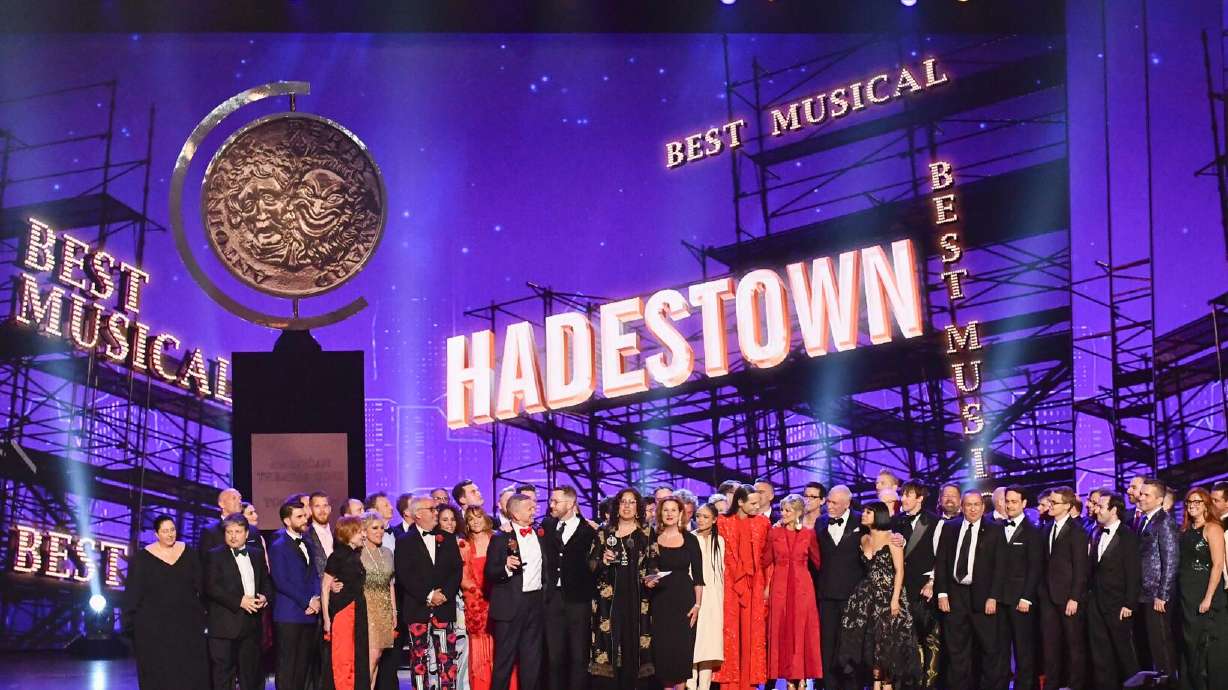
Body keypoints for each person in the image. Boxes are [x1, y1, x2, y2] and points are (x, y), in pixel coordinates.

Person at [123, 514, 210, 690]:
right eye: (165, 531)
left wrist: (205, 612)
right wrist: (130, 623)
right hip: (153, 625)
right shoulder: (143, 558)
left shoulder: (188, 552)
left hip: (187, 622)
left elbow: (201, 585)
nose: (170, 534)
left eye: (172, 530)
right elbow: (134, 592)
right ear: (156, 534)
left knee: (189, 668)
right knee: (159, 668)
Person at [839, 501, 919, 690]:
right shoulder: (863, 539)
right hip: (866, 596)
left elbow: (899, 571)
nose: (864, 515)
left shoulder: (892, 538)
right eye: (864, 512)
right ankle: (875, 684)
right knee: (870, 644)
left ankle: (887, 684)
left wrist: (894, 599)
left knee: (888, 646)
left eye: (868, 512)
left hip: (889, 596)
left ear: (879, 515)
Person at [935, 490, 1006, 690]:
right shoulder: (950, 528)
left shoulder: (995, 530)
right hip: (955, 596)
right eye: (968, 505)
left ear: (983, 507)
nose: (973, 508)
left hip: (984, 598)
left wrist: (993, 597)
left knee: (989, 649)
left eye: (977, 504)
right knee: (956, 650)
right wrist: (942, 593)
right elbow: (941, 562)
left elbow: (1000, 567)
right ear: (962, 507)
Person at [588, 487, 655, 689]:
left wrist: (652, 578)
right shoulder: (604, 532)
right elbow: (591, 564)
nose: (627, 506)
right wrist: (603, 562)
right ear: (617, 507)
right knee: (609, 644)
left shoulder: (646, 532)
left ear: (638, 508)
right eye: (623, 502)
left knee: (633, 646)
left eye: (631, 502)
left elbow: (653, 561)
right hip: (609, 601)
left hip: (637, 598)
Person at [396, 497, 463, 689]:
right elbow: (404, 575)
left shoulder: (447, 538)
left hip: (444, 607)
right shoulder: (404, 541)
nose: (436, 512)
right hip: (417, 608)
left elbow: (456, 570)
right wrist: (428, 595)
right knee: (418, 658)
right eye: (431, 509)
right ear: (418, 514)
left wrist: (444, 595)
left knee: (447, 657)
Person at [487, 493, 548, 690]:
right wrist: (505, 566)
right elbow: (490, 573)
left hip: (535, 602)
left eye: (534, 507)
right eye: (529, 508)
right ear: (514, 513)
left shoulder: (540, 533)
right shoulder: (500, 538)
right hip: (510, 605)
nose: (534, 511)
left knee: (532, 659)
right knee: (504, 661)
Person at [761, 494, 821, 689]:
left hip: (803, 587)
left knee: (801, 629)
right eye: (782, 509)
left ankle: (802, 676)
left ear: (798, 513)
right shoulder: (774, 533)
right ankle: (787, 678)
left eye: (787, 510)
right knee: (782, 630)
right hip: (780, 587)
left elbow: (818, 561)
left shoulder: (808, 534)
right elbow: (765, 560)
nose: (783, 513)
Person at [204, 514, 271, 690]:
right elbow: (211, 587)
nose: (233, 536)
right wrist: (239, 601)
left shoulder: (256, 555)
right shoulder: (214, 556)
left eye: (238, 532)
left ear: (247, 534)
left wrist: (264, 596)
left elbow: (266, 580)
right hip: (224, 626)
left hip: (251, 626)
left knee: (251, 674)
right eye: (229, 532)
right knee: (223, 675)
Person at [715, 484, 769, 690]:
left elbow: (766, 558)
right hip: (728, 584)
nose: (758, 506)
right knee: (730, 631)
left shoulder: (763, 523)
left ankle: (748, 683)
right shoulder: (722, 522)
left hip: (754, 585)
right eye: (753, 503)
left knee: (751, 632)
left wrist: (767, 586)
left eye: (758, 502)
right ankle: (729, 683)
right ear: (740, 502)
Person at [543, 485, 597, 690]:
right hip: (553, 599)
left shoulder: (589, 531)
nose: (551, 505)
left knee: (578, 657)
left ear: (571, 503)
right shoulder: (547, 526)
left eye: (556, 501)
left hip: (578, 601)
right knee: (554, 657)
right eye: (551, 501)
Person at [648, 497, 705, 690]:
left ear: (681, 513)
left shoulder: (691, 539)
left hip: (684, 602)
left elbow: (698, 577)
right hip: (660, 602)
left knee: (681, 654)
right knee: (662, 654)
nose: (670, 514)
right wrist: (649, 580)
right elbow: (647, 570)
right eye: (666, 510)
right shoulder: (652, 539)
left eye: (674, 510)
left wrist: (697, 605)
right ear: (660, 514)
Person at [1087, 491, 1141, 690]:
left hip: (1118, 604)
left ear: (1114, 510)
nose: (1096, 510)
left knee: (1124, 652)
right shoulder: (1095, 532)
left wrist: (1129, 603)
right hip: (1096, 603)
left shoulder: (1127, 536)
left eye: (1101, 507)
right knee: (1100, 653)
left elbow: (1134, 573)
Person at [460, 506, 515, 690]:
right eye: (470, 519)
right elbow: (463, 578)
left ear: (486, 518)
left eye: (478, 517)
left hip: (502, 601)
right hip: (477, 606)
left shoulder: (499, 538)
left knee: (504, 649)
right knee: (481, 652)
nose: (475, 522)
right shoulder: (464, 545)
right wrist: (479, 597)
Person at [269, 499, 322, 690]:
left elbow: (315, 574)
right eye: (299, 517)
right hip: (289, 613)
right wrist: (306, 600)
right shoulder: (279, 545)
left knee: (303, 665)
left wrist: (316, 599)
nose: (304, 520)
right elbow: (281, 580)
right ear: (287, 521)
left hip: (309, 613)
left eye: (304, 516)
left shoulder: (307, 542)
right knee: (287, 665)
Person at [1038, 486, 1087, 690]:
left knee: (1074, 645)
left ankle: (1076, 685)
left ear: (1067, 506)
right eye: (1049, 501)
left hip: (1068, 598)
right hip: (1048, 597)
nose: (1049, 505)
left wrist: (1074, 597)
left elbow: (1081, 567)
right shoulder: (1048, 528)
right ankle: (1052, 685)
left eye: (1054, 502)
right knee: (1050, 646)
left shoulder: (1077, 531)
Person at [1177, 487, 1226, 690]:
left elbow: (1217, 565)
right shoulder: (1185, 531)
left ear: (1206, 505)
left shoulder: (1213, 528)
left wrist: (1208, 598)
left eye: (1198, 502)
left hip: (1205, 593)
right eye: (1189, 502)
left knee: (1204, 645)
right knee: (1188, 644)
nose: (1192, 505)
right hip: (1186, 594)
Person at [893, 481, 939, 687]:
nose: (903, 499)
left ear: (920, 498)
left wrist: (932, 581)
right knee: (905, 642)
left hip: (924, 590)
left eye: (908, 495)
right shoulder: (896, 522)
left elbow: (941, 556)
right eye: (902, 495)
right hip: (902, 590)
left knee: (929, 640)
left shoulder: (935, 522)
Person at [816, 484, 861, 690]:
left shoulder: (862, 520)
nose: (829, 506)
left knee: (850, 642)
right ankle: (829, 684)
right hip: (826, 594)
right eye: (828, 501)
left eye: (834, 503)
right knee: (827, 642)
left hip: (853, 594)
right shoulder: (820, 522)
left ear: (847, 504)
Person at [1135, 478, 1179, 681]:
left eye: (1146, 495)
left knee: (1162, 642)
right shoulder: (1146, 520)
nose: (1140, 497)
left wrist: (1163, 594)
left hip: (1157, 595)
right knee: (1153, 642)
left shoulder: (1165, 521)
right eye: (1141, 493)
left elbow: (1171, 559)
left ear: (1160, 499)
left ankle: (1169, 681)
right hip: (1146, 592)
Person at [998, 485, 1041, 690]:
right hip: (1000, 599)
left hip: (1020, 601)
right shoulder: (997, 528)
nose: (1010, 505)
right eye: (1007, 501)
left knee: (1023, 649)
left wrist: (1026, 597)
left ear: (1024, 504)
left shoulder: (1032, 532)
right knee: (1001, 648)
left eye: (1014, 501)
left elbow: (1035, 568)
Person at [322, 515, 370, 690]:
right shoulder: (338, 556)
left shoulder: (354, 554)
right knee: (344, 657)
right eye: (359, 532)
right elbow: (325, 586)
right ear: (348, 533)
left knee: (355, 656)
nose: (363, 535)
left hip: (357, 609)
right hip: (343, 610)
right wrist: (327, 619)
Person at [358, 511, 397, 689]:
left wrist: (394, 612)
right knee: (370, 657)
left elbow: (391, 585)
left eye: (382, 528)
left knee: (378, 656)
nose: (380, 531)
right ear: (363, 531)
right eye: (375, 528)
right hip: (366, 609)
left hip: (385, 610)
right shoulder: (357, 554)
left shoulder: (387, 553)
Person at [689, 503, 725, 690]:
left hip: (714, 599)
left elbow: (721, 572)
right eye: (698, 516)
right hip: (694, 595)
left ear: (714, 519)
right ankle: (690, 684)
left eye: (705, 516)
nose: (701, 520)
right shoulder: (689, 538)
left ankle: (704, 686)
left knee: (709, 645)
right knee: (693, 643)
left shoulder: (720, 541)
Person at [436, 504, 469, 689]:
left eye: (452, 519)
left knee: (464, 647)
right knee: (447, 648)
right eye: (445, 520)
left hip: (465, 599)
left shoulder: (464, 540)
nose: (449, 524)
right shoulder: (436, 542)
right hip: (447, 600)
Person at [200, 487, 243, 553]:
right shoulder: (210, 531)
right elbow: (205, 559)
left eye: (240, 499)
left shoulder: (250, 529)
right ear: (221, 504)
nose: (239, 502)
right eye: (234, 498)